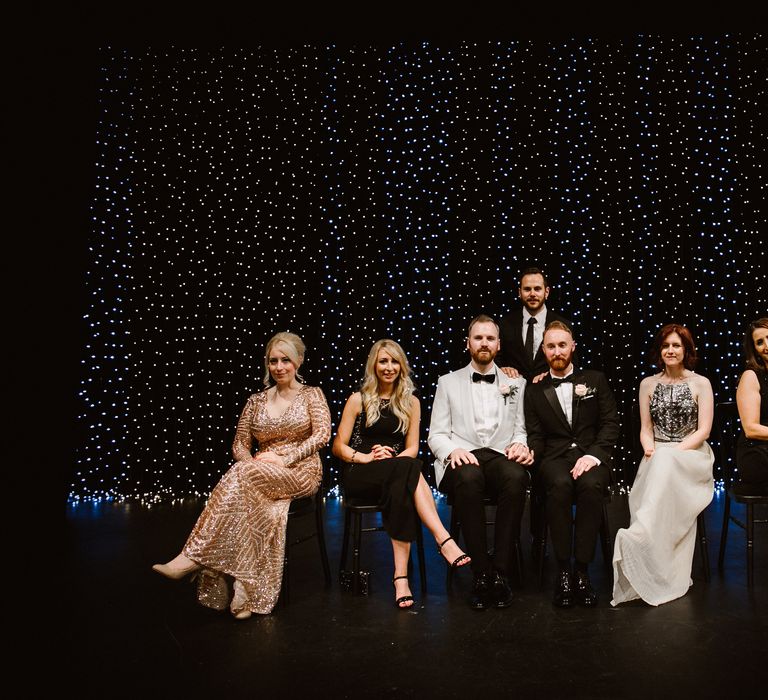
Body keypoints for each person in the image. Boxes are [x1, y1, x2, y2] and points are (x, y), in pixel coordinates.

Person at [152, 332, 331, 619]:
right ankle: (244, 587)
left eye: (286, 360)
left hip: (300, 471)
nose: (279, 367)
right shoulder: (256, 400)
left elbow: (322, 435)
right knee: (248, 491)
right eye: (273, 361)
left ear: (298, 361)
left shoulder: (312, 395)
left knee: (241, 475)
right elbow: (239, 444)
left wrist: (283, 458)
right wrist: (255, 463)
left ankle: (194, 558)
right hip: (258, 472)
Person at [333, 339, 470, 610]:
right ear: (374, 364)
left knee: (404, 479)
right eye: (383, 361)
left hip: (397, 470)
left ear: (402, 366)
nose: (389, 367)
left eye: (394, 361)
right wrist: (367, 457)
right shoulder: (358, 399)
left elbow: (412, 449)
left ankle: (401, 579)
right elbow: (338, 446)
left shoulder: (411, 402)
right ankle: (442, 539)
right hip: (360, 471)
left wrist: (393, 460)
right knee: (408, 474)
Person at [428, 315, 533, 610]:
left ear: (498, 345)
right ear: (468, 344)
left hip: (499, 455)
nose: (484, 343)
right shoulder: (447, 382)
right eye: (478, 338)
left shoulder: (516, 382)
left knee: (516, 478)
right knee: (469, 478)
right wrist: (452, 452)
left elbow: (521, 428)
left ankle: (500, 572)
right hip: (463, 457)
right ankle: (480, 573)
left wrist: (520, 445)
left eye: (489, 338)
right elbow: (436, 434)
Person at [611, 324, 715, 606]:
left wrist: (671, 453)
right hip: (656, 455)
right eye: (665, 346)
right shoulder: (648, 384)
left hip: (691, 455)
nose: (670, 350)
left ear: (686, 350)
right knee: (655, 473)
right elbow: (646, 428)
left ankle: (641, 534)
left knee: (664, 463)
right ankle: (644, 547)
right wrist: (650, 447)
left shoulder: (701, 383)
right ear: (659, 350)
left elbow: (703, 431)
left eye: (676, 345)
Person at [524, 320, 619, 608]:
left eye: (562, 345)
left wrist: (593, 456)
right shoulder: (534, 389)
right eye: (551, 346)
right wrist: (530, 454)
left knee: (590, 486)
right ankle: (563, 571)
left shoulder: (596, 379)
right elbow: (537, 435)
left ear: (573, 347)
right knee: (560, 484)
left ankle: (582, 571)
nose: (557, 351)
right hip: (553, 459)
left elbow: (610, 423)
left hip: (592, 456)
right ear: (543, 349)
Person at [498, 267, 574, 383]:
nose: (532, 294)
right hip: (513, 393)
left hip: (549, 392)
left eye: (537, 289)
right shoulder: (504, 324)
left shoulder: (565, 325)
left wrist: (552, 374)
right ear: (520, 292)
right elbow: (497, 359)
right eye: (527, 289)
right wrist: (502, 369)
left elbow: (572, 364)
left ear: (546, 292)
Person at [735, 317, 768, 487]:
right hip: (757, 452)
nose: (766, 346)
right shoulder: (751, 376)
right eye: (760, 342)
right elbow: (751, 429)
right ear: (755, 349)